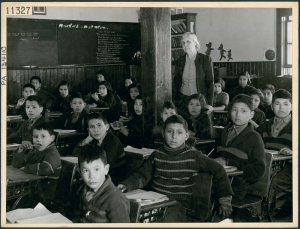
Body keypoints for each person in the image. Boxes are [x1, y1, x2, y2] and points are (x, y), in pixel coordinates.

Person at [117, 115, 233, 222]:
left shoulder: (193, 155)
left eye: (179, 132)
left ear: (186, 136)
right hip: (156, 203)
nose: (174, 136)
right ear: (163, 133)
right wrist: (126, 185)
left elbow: (218, 169)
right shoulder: (156, 155)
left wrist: (225, 200)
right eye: (169, 131)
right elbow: (141, 175)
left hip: (178, 207)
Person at [214, 94, 266, 200]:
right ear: (229, 112)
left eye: (243, 111)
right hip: (220, 180)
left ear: (251, 115)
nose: (238, 115)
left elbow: (258, 170)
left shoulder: (255, 138)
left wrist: (229, 163)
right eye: (234, 110)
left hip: (237, 186)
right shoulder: (224, 132)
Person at [69, 144, 130, 223]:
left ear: (106, 169)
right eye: (86, 171)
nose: (91, 176)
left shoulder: (116, 200)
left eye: (96, 169)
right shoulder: (82, 190)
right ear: (80, 172)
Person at [257, 89, 292, 217]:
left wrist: (293, 152)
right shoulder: (265, 125)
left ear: (292, 106)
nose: (281, 107)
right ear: (272, 107)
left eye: (286, 104)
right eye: (277, 104)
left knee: (270, 182)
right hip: (266, 165)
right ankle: (251, 209)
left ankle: (265, 214)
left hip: (289, 168)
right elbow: (255, 142)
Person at [12, 122, 61, 205]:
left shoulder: (53, 152)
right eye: (35, 137)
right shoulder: (35, 151)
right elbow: (17, 164)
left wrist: (27, 168)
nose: (38, 139)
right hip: (33, 188)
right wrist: (20, 151)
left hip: (46, 194)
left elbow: (47, 168)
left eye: (43, 136)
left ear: (52, 138)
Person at [73, 113, 125, 183]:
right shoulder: (93, 140)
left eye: (99, 126)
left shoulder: (113, 141)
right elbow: (75, 154)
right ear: (88, 130)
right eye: (92, 127)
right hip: (98, 175)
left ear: (107, 127)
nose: (96, 130)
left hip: (113, 179)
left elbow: (104, 163)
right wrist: (85, 142)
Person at [172, 32, 214, 114]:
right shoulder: (179, 61)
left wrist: (209, 104)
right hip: (182, 100)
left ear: (195, 44)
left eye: (188, 42)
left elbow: (210, 83)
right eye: (183, 43)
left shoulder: (205, 59)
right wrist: (175, 102)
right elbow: (176, 84)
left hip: (199, 100)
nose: (185, 45)